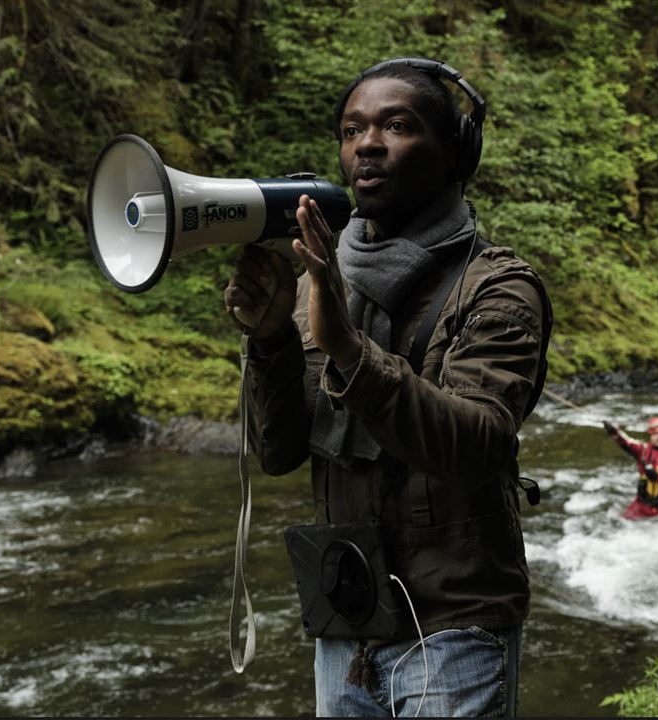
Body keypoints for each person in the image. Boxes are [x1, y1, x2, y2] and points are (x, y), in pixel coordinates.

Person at [223, 58, 551, 717]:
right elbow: (281, 452)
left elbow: (477, 441)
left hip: (455, 625)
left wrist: (346, 345)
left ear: (456, 152)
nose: (367, 143)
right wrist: (271, 342)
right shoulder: (322, 279)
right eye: (351, 130)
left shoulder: (497, 286)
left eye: (396, 125)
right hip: (347, 624)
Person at [603, 416, 658, 519]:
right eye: (655, 434)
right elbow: (626, 442)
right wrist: (613, 431)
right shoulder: (643, 450)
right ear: (650, 435)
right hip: (641, 505)